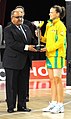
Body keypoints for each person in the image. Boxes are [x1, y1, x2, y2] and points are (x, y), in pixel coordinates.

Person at [3, 10, 37, 113]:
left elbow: (32, 40)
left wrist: (38, 42)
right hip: (12, 62)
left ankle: (22, 106)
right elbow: (11, 44)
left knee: (23, 85)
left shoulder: (26, 28)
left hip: (25, 62)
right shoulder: (8, 29)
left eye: (21, 17)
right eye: (17, 17)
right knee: (12, 86)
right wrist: (27, 47)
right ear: (12, 18)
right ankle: (11, 106)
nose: (20, 19)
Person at [36, 5, 66, 114]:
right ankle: (53, 102)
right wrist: (40, 36)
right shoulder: (49, 25)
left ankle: (60, 104)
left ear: (57, 14)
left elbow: (60, 43)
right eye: (49, 12)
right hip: (49, 55)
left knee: (58, 80)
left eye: (51, 12)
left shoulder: (61, 26)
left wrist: (48, 48)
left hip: (57, 56)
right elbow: (46, 40)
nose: (49, 14)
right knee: (52, 80)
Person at [14, 5, 37, 102]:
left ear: (24, 13)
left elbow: (32, 39)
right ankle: (12, 97)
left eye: (21, 12)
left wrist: (38, 44)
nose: (19, 15)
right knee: (13, 80)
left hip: (26, 56)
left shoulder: (29, 25)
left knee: (25, 78)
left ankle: (25, 96)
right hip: (15, 57)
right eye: (17, 12)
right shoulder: (10, 25)